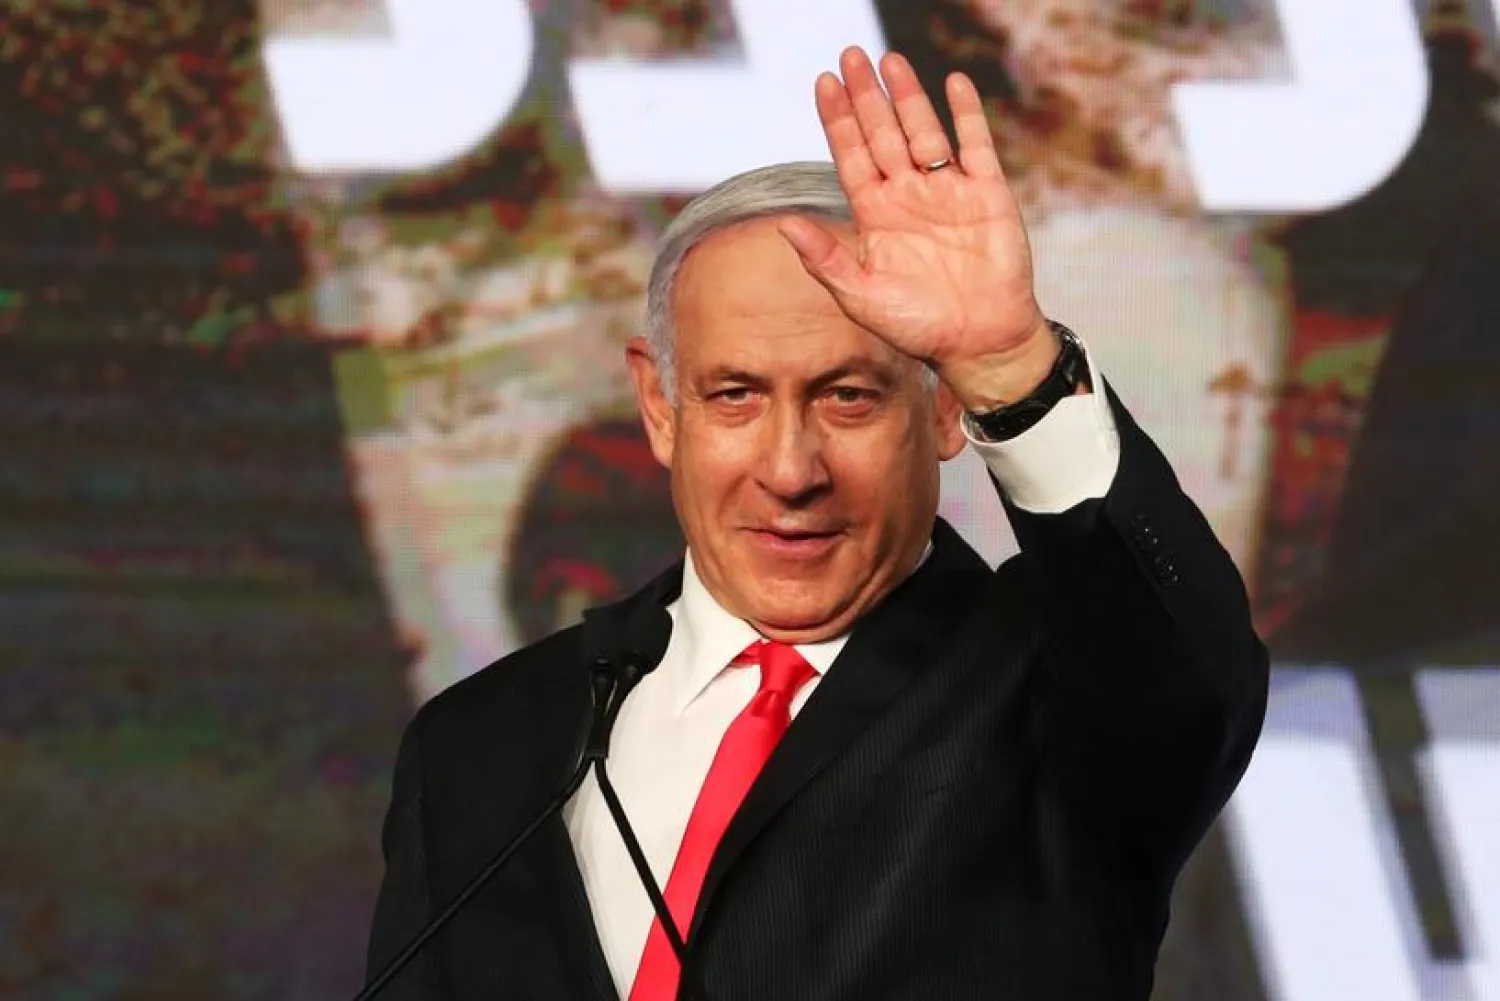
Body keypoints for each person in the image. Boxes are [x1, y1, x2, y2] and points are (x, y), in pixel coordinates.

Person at [365, 47, 1268, 1001]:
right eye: (735, 396)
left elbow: (1188, 677)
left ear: (943, 409)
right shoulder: (477, 748)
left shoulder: (1045, 692)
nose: (791, 470)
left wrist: (1008, 363)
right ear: (661, 408)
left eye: (847, 398)